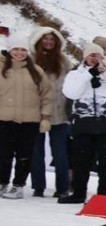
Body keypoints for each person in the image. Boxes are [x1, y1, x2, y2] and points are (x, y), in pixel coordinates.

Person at [58, 42, 106, 204]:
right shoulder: (76, 74)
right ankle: (78, 193)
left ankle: (104, 195)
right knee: (81, 161)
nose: (95, 59)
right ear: (85, 57)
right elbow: (71, 93)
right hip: (84, 124)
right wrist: (89, 74)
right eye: (92, 55)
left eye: (99, 56)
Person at [0, 37, 53, 199]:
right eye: (16, 49)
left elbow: (47, 96)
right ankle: (2, 183)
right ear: (9, 51)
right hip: (4, 119)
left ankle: (18, 186)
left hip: (29, 121)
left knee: (24, 155)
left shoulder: (36, 71)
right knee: (3, 154)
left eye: (23, 50)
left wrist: (45, 117)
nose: (19, 53)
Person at [28, 27, 71, 198]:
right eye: (45, 39)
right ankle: (38, 186)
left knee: (60, 152)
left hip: (59, 113)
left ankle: (62, 187)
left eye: (52, 40)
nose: (48, 42)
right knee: (36, 151)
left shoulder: (64, 61)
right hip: (35, 112)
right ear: (39, 41)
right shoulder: (31, 60)